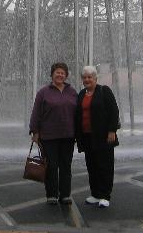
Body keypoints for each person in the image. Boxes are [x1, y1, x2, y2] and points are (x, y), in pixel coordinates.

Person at [29, 62, 78, 205]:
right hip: (48, 136)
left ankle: (65, 195)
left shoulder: (72, 92)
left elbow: (78, 113)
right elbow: (36, 113)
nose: (60, 75)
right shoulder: (43, 92)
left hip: (68, 136)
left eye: (63, 73)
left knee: (65, 166)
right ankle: (51, 194)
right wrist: (35, 131)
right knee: (51, 166)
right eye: (57, 72)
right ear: (52, 74)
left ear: (66, 75)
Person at [75, 65, 120, 208]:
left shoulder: (104, 91)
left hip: (103, 136)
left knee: (105, 165)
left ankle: (105, 195)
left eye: (90, 77)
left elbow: (114, 111)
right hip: (87, 136)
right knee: (91, 165)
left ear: (95, 78)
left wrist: (112, 131)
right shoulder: (82, 94)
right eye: (85, 77)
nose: (87, 79)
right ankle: (95, 194)